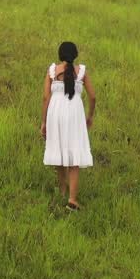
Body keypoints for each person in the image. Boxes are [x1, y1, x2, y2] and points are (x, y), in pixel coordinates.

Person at [40, 41, 96, 210]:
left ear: (60, 55)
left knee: (58, 149)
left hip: (55, 114)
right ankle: (72, 199)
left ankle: (62, 191)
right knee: (74, 155)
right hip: (75, 114)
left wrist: (43, 122)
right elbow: (93, 97)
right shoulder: (82, 72)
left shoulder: (52, 71)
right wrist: (90, 116)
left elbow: (45, 98)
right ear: (75, 55)